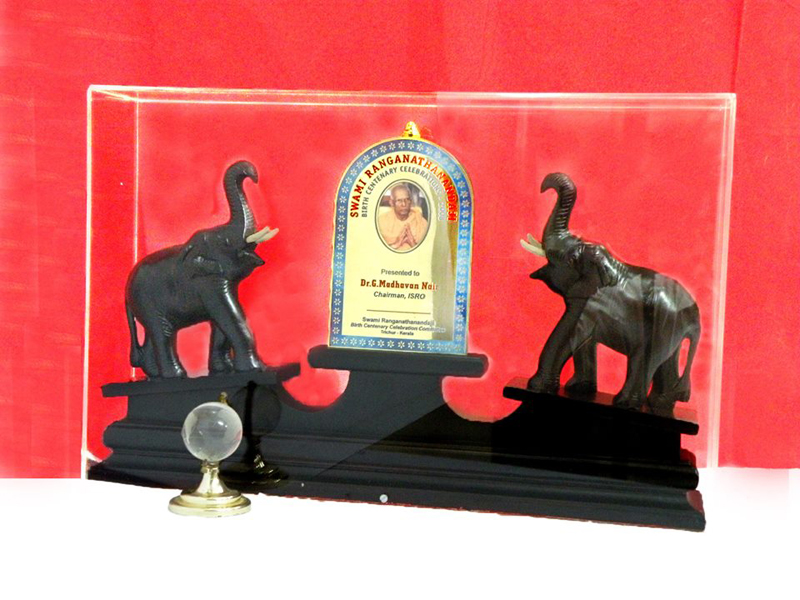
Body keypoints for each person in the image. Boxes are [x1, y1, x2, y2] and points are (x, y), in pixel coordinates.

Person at [378, 183, 429, 251]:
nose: (404, 204)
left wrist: (413, 243)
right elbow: (376, 252)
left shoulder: (421, 222)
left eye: (407, 199)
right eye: (399, 200)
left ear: (411, 202)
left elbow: (428, 253)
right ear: (391, 203)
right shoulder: (381, 222)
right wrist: (396, 244)